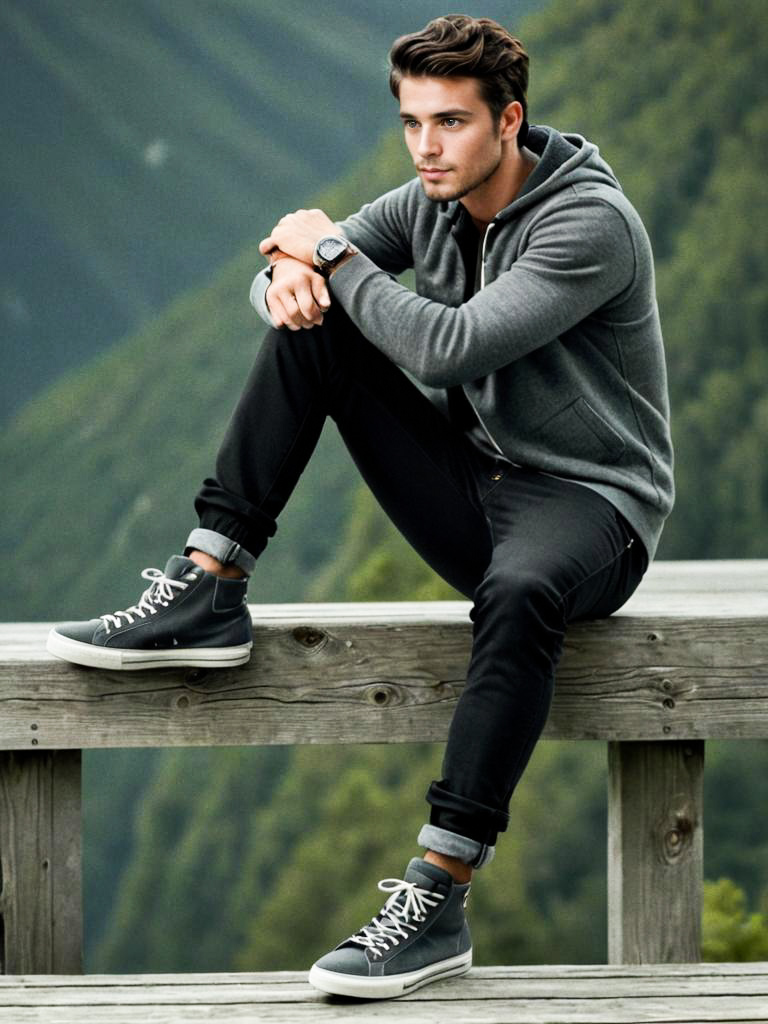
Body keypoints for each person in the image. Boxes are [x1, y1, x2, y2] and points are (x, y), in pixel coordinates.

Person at [48, 14, 673, 1001]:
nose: (427, 146)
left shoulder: (586, 222)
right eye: (413, 122)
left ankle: (439, 892)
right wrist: (290, 273)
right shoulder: (432, 197)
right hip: (479, 484)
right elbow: (291, 295)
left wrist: (324, 250)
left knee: (516, 593)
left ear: (509, 121)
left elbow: (448, 348)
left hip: (594, 508)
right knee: (321, 330)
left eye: (452, 123)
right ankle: (210, 579)